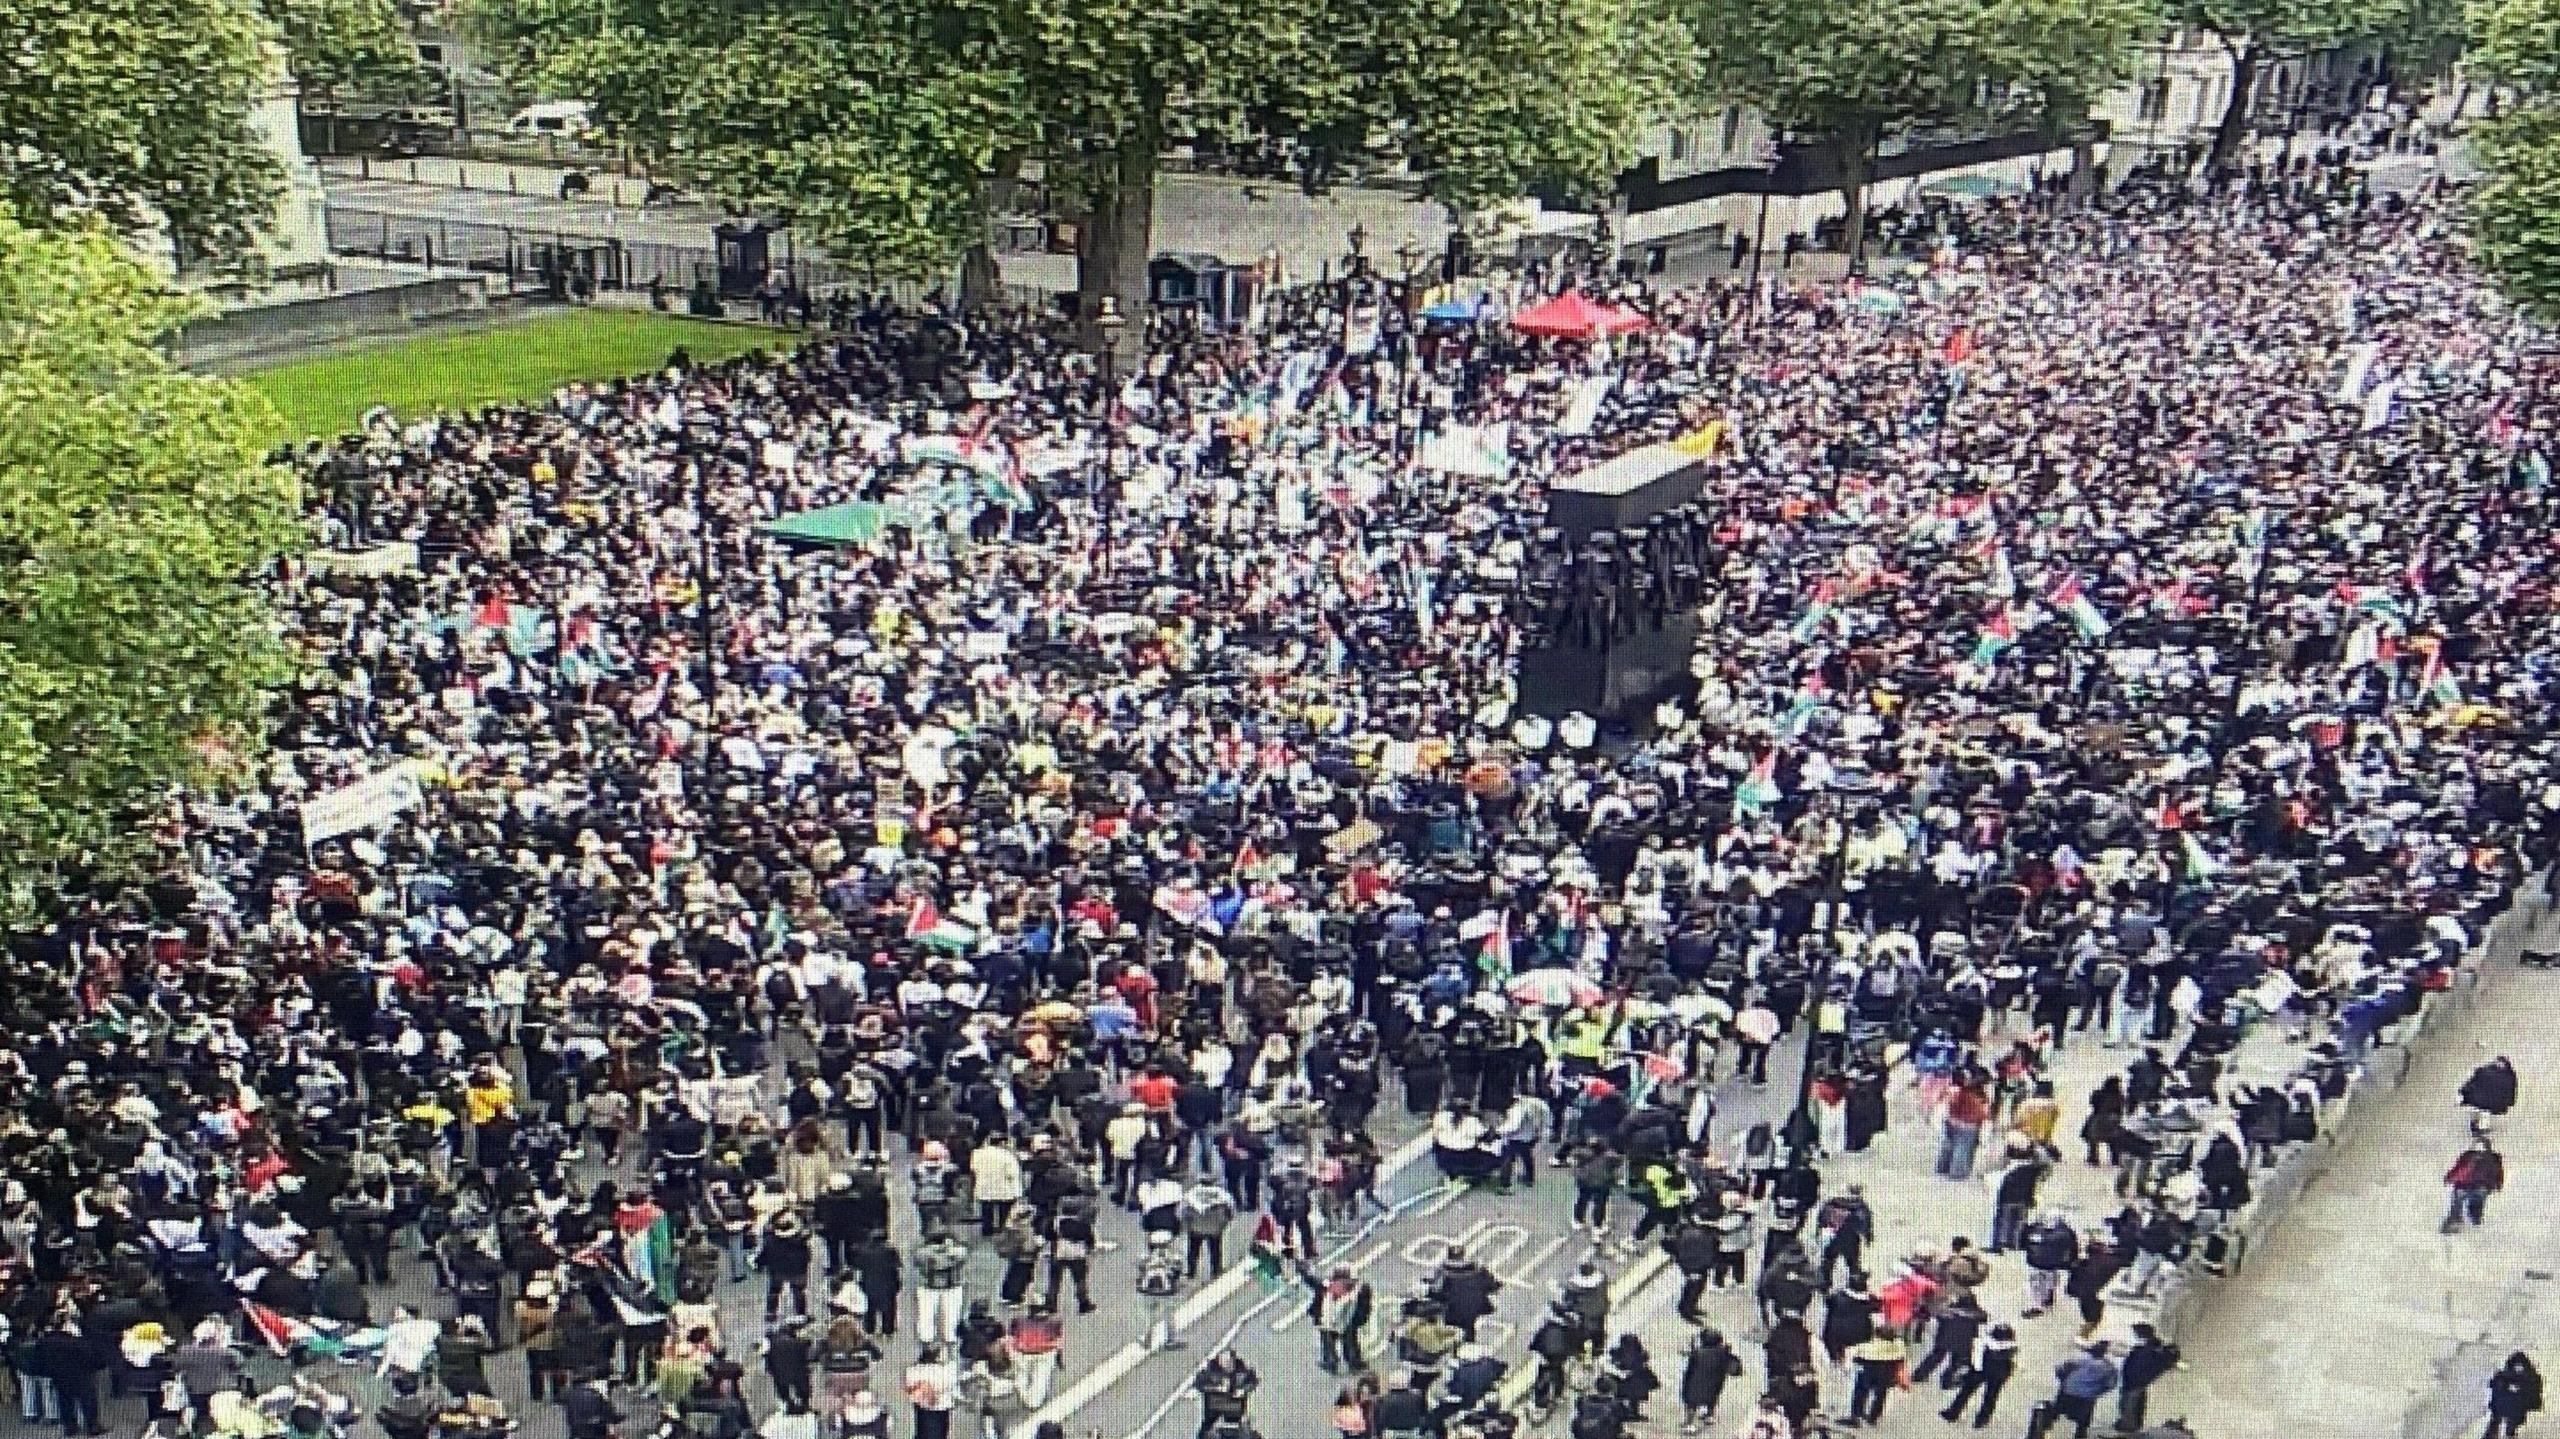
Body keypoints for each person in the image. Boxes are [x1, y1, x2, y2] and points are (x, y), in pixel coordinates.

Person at [1941, 1323, 2019, 1429]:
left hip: (1982, 1370)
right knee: (1990, 1396)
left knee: (1967, 1391)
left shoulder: (1988, 1343)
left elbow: (1978, 1354)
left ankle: (1953, 1413)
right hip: (1998, 1373)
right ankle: (1981, 1420)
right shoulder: (2011, 1348)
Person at [2115, 1326, 2181, 1435]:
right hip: (2136, 1383)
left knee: (2129, 1405)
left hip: (2133, 1383)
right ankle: (2131, 1425)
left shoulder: (2149, 1353)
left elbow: (2134, 1362)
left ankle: (2129, 1426)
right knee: (2133, 1404)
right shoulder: (2156, 1354)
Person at [2049, 1343, 2121, 1439]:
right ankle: (2080, 1434)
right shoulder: (2109, 1367)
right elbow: (2111, 1384)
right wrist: (2098, 1391)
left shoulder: (2078, 1360)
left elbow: (2059, 1369)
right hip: (2087, 1396)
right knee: (2083, 1420)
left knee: (2057, 1408)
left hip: (2069, 1390)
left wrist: (2064, 1382)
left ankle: (2046, 1423)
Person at [1681, 1327, 1744, 1433]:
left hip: (1695, 1382)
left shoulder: (1698, 1353)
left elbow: (1690, 1368)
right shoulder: (1722, 1353)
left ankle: (1689, 1423)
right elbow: (1729, 1365)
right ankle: (1709, 1415)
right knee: (1712, 1398)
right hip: (1715, 1382)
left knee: (1692, 1403)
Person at [1137, 1230, 1187, 1350]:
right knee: (1168, 1316)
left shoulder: (1146, 1257)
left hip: (1146, 1290)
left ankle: (1147, 1338)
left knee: (1149, 1315)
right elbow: (1178, 1273)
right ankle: (1170, 1340)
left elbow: (1141, 1269)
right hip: (1166, 1291)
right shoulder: (1174, 1257)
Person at [2446, 1139, 2508, 1232]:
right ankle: (2476, 1225)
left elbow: (2459, 1169)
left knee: (2457, 1202)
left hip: (2464, 1186)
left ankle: (2455, 1221)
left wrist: (2449, 1177)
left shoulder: (2468, 1156)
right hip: (2482, 1188)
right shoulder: (2493, 1158)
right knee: (2476, 1205)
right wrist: (2498, 1184)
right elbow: (2499, 1172)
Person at [2491, 1354, 2547, 1439]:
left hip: (2515, 1407)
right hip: (2506, 1406)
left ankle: (2507, 1432)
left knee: (2509, 1422)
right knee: (2501, 1421)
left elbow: (2533, 1392)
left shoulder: (2531, 1378)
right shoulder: (2502, 1377)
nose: (2518, 1370)